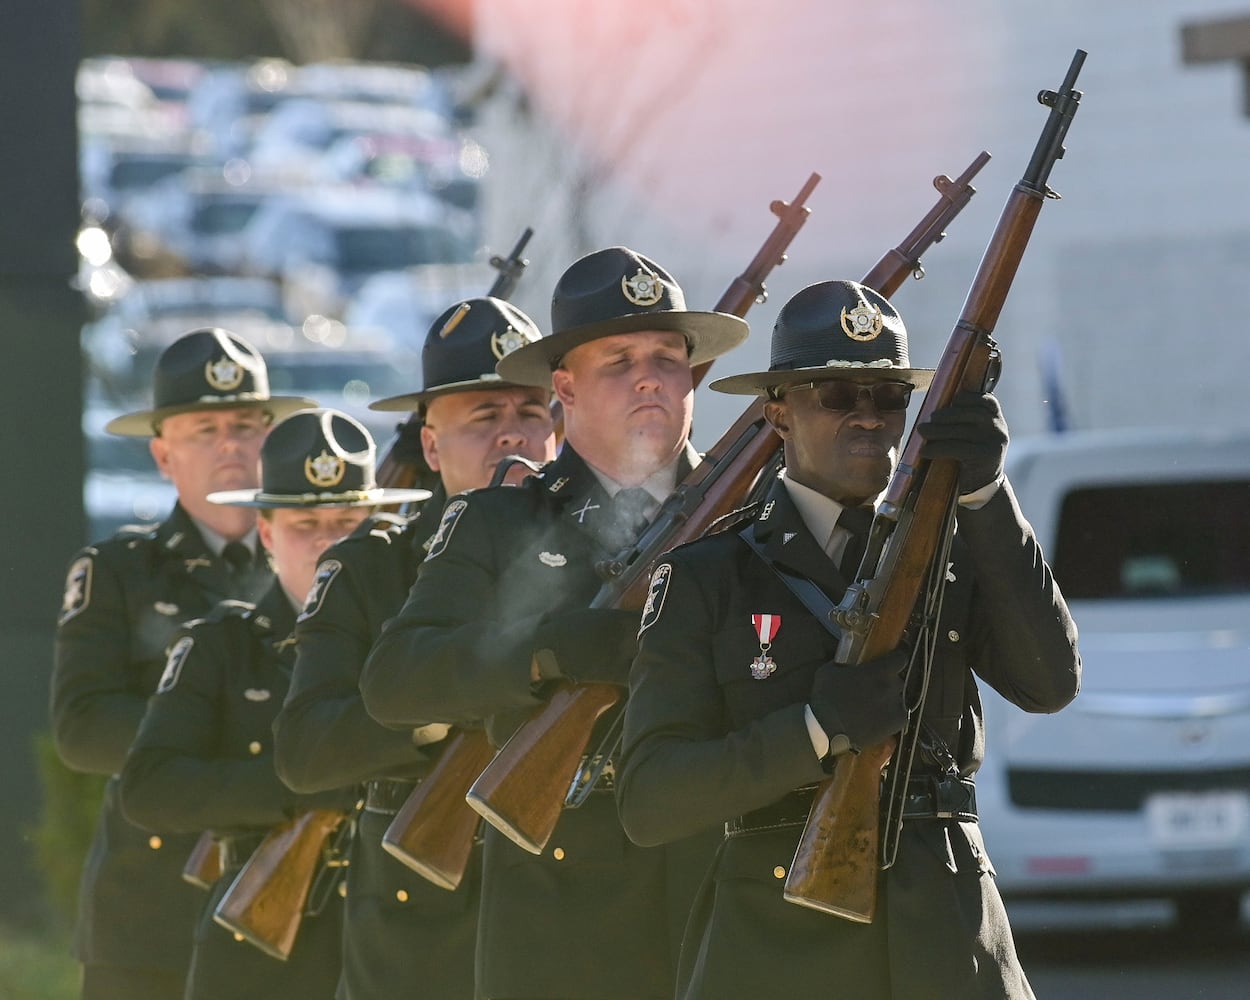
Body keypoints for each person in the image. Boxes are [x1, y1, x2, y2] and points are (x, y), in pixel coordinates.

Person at [614, 279, 1082, 999]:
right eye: (835, 395)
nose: (868, 416)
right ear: (778, 412)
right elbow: (651, 798)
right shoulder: (710, 574)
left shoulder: (956, 542)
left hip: (946, 934)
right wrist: (813, 730)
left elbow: (1049, 684)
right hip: (779, 945)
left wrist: (988, 496)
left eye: (888, 397)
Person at [359, 246, 749, 1000]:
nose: (648, 378)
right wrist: (543, 653)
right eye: (619, 361)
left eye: (668, 359)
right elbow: (397, 679)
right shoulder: (499, 519)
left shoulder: (752, 517)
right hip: (563, 906)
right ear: (564, 386)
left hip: (722, 891)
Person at [272, 297, 557, 999]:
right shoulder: (371, 567)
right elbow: (307, 749)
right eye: (484, 417)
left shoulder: (603, 553)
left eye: (530, 412)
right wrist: (445, 701)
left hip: (561, 909)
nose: (512, 434)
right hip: (416, 935)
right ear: (431, 447)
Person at [117, 407, 427, 999]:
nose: (328, 543)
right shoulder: (221, 646)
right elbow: (148, 786)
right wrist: (302, 783)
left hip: (395, 933)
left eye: (347, 522)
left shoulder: (408, 647)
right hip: (260, 950)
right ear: (266, 534)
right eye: (305, 524)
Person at [51, 327, 315, 1000]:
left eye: (246, 426)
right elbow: (82, 728)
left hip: (298, 908)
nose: (230, 446)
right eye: (205, 430)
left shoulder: (315, 564)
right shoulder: (118, 571)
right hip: (152, 914)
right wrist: (219, 741)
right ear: (163, 454)